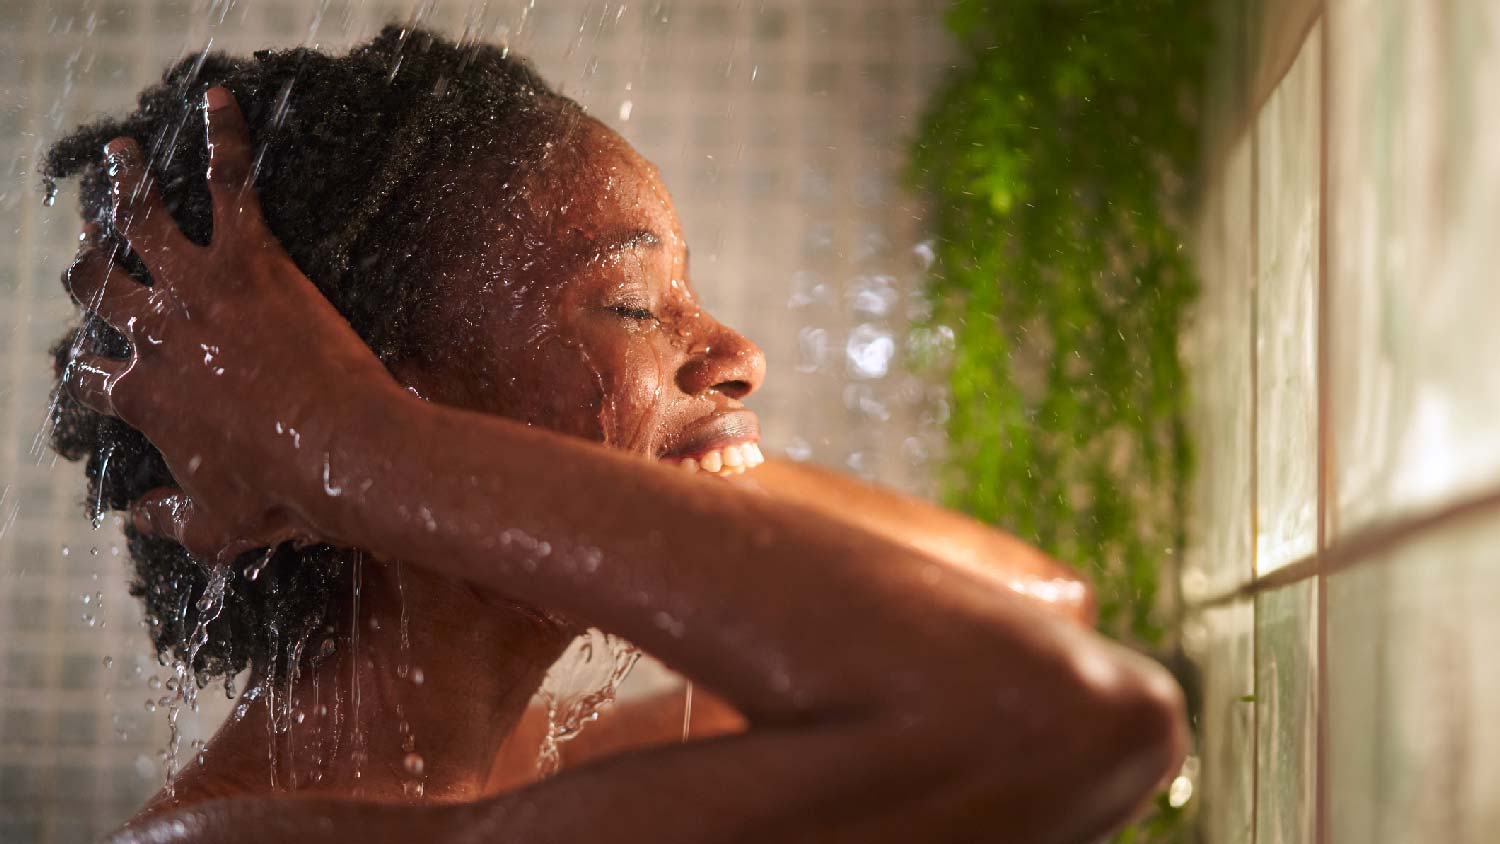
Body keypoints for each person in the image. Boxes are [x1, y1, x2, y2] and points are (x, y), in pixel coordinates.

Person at [48, 28, 1185, 843]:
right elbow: (1055, 717)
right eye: (635, 304)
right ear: (392, 402)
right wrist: (353, 446)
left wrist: (354, 446)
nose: (740, 354)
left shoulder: (534, 766)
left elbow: (1040, 612)